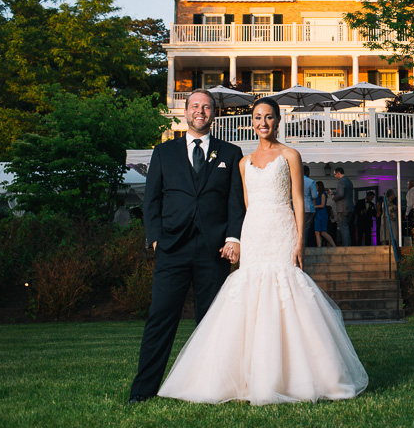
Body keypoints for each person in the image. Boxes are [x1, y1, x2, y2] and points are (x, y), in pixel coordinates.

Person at [158, 97, 368, 405]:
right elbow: (244, 206)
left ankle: (297, 377)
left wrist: (299, 240)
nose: (263, 123)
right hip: (254, 232)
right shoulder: (243, 162)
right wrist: (239, 241)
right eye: (257, 117)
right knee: (250, 297)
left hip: (282, 230)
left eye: (269, 117)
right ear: (252, 121)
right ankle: (247, 377)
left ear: (278, 121)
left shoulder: (290, 155)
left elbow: (298, 199)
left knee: (285, 295)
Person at [129, 89, 246, 404]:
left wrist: (233, 239)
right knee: (160, 317)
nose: (201, 111)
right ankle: (142, 391)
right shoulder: (163, 152)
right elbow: (151, 201)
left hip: (214, 251)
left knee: (213, 322)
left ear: (214, 114)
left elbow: (235, 203)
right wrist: (154, 238)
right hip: (172, 249)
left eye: (206, 107)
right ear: (185, 112)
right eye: (195, 106)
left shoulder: (230, 153)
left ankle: (214, 389)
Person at [332, 167, 355, 246]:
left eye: (335, 174)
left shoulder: (341, 182)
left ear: (338, 173)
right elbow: (345, 194)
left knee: (344, 228)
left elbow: (341, 194)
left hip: (342, 208)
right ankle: (348, 244)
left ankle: (346, 246)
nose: (335, 176)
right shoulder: (349, 181)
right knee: (347, 227)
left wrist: (334, 197)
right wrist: (334, 193)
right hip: (349, 207)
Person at [314, 181, 336, 247]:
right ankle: (319, 248)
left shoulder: (323, 194)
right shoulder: (317, 195)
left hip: (322, 214)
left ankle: (334, 245)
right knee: (317, 232)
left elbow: (322, 205)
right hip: (317, 214)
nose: (315, 187)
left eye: (316, 186)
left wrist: (314, 207)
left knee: (323, 232)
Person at [302, 165, 318, 247]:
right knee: (306, 228)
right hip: (307, 207)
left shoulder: (295, 181)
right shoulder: (310, 181)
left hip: (297, 208)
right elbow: (314, 196)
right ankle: (304, 246)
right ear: (307, 172)